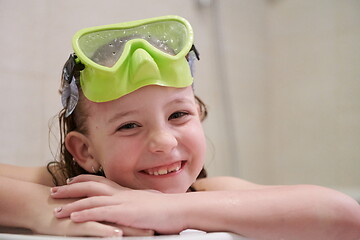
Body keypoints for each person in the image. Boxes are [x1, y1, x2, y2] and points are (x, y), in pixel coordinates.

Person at [0, 15, 360, 239]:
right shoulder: (67, 185)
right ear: (85, 151)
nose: (162, 141)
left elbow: (346, 217)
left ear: (198, 115)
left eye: (178, 116)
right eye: (128, 125)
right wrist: (45, 211)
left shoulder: (207, 193)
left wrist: (168, 210)